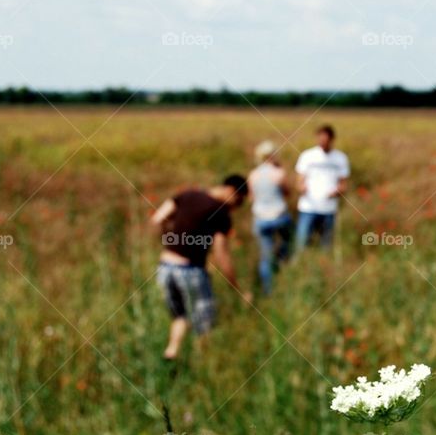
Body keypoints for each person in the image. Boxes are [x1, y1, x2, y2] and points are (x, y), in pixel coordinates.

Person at [150, 174, 251, 360]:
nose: (235, 208)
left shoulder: (188, 194)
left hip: (165, 267)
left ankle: (171, 355)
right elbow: (222, 254)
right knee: (204, 325)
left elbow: (157, 219)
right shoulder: (221, 213)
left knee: (179, 316)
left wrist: (171, 239)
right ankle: (203, 367)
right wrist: (237, 288)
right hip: (191, 271)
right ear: (232, 192)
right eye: (239, 202)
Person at [248, 140, 293, 295]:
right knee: (287, 245)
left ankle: (268, 290)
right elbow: (288, 193)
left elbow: (251, 198)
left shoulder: (253, 174)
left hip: (261, 218)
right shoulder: (278, 173)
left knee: (265, 257)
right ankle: (284, 271)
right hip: (279, 216)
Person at [294, 124, 350, 250]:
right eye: (320, 139)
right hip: (308, 207)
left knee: (326, 244)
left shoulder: (340, 158)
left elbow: (343, 184)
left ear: (332, 139)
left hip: (329, 208)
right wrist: (301, 187)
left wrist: (338, 191)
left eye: (325, 140)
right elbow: (299, 180)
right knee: (301, 242)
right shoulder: (307, 156)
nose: (322, 142)